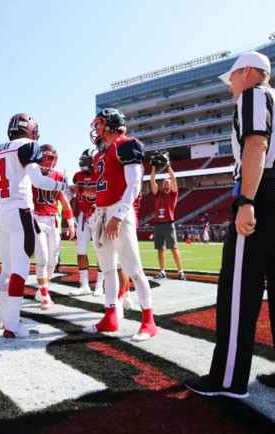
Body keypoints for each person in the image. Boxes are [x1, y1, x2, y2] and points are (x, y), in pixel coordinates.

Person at [185, 51, 275, 405]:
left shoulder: (255, 95)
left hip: (264, 194)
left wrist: (246, 201)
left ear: (249, 72)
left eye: (233, 79)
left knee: (239, 287)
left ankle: (229, 379)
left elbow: (257, 144)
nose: (230, 88)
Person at [76, 108, 157, 341]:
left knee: (134, 268)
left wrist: (119, 215)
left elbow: (134, 185)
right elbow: (104, 186)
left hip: (118, 212)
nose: (97, 128)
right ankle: (110, 317)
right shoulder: (102, 153)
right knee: (108, 269)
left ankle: (148, 322)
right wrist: (81, 190)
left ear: (112, 124)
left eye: (101, 123)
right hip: (101, 212)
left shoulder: (126, 145)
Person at [0, 113, 67, 338]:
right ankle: (13, 325)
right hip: (20, 211)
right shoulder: (28, 145)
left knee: (6, 270)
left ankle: (3, 319)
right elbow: (38, 181)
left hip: (1, 212)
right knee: (20, 271)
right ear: (30, 129)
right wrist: (63, 184)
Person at [31, 144, 75, 309]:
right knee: (42, 257)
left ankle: (43, 288)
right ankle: (44, 295)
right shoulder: (31, 173)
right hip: (36, 218)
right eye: (45, 157)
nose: (47, 161)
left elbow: (64, 201)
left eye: (51, 158)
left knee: (53, 260)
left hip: (53, 219)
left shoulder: (59, 176)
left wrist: (71, 224)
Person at [70, 148, 105, 296]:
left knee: (101, 251)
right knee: (81, 250)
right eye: (82, 160)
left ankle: (99, 285)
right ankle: (84, 284)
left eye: (86, 160)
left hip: (98, 214)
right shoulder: (77, 176)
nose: (83, 163)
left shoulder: (101, 175)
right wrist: (73, 217)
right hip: (83, 216)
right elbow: (77, 199)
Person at [150, 162, 186, 280]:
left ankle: (180, 271)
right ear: (162, 184)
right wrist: (154, 168)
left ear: (171, 185)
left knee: (173, 248)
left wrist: (168, 166)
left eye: (168, 182)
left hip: (168, 223)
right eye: (165, 182)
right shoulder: (158, 194)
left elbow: (174, 179)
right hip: (158, 224)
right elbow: (152, 181)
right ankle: (162, 271)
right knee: (160, 249)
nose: (166, 183)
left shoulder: (173, 194)